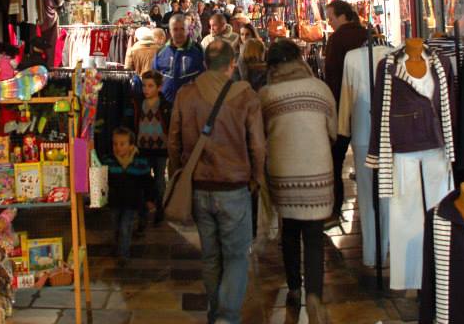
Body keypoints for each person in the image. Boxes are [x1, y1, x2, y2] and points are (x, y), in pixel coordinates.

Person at [168, 40, 266, 324]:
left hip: (199, 187)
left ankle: (215, 313)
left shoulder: (186, 94)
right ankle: (227, 317)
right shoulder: (245, 96)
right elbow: (258, 145)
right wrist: (257, 178)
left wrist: (179, 175)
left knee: (211, 256)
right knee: (236, 256)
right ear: (232, 64)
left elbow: (173, 141)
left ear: (205, 64)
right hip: (234, 187)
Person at [259, 39, 335, 323]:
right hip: (317, 170)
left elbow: (260, 136)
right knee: (314, 237)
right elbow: (332, 130)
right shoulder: (320, 88)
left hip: (283, 171)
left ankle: (294, 287)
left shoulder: (266, 95)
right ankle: (314, 295)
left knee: (289, 232)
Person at [323, 0, 368, 225]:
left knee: (335, 158)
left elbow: (331, 75)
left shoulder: (337, 39)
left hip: (342, 105)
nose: (329, 22)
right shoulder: (367, 34)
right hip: (367, 107)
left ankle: (334, 210)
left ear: (342, 16)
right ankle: (371, 207)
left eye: (331, 17)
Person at [104, 127, 155, 261]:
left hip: (132, 202)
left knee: (125, 227)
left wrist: (149, 199)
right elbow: (104, 180)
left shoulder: (139, 161)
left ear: (131, 145)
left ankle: (123, 254)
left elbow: (147, 181)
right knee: (115, 226)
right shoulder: (109, 160)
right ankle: (117, 246)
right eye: (115, 144)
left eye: (122, 144)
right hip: (115, 201)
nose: (118, 147)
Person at [137, 70, 171, 224]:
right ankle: (144, 209)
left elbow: (170, 125)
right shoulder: (138, 103)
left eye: (150, 86)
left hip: (160, 149)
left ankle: (160, 209)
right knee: (143, 179)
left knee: (159, 181)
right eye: (144, 86)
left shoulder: (165, 105)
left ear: (159, 87)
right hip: (142, 148)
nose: (146, 89)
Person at [154, 14, 205, 103]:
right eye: (175, 29)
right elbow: (154, 77)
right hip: (165, 105)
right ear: (170, 31)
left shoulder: (198, 51)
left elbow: (205, 77)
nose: (179, 33)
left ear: (188, 30)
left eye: (182, 29)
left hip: (191, 105)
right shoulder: (161, 52)